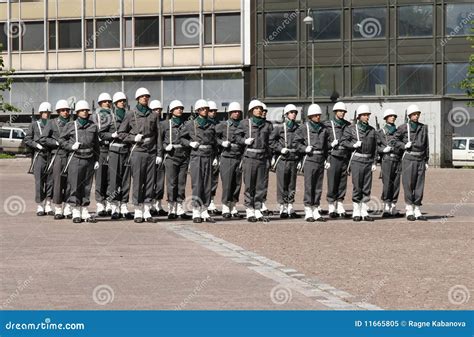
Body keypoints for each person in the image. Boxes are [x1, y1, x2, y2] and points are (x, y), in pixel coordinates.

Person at [118, 87, 159, 223]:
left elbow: (158, 135)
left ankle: (147, 209)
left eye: (147, 96)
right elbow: (121, 133)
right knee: (137, 181)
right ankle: (137, 210)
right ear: (137, 99)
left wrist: (159, 153)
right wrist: (133, 138)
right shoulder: (131, 114)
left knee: (150, 181)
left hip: (151, 151)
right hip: (137, 151)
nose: (145, 98)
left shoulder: (153, 115)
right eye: (142, 96)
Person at [60, 100, 100, 223]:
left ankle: (84, 210)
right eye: (82, 110)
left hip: (89, 159)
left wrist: (97, 159)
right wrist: (71, 146)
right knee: (75, 185)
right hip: (76, 158)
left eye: (86, 110)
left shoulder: (93, 126)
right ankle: (76, 210)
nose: (84, 112)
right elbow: (62, 141)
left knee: (87, 186)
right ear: (77, 112)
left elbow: (96, 145)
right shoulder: (71, 125)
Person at [235, 100, 274, 222]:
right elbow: (236, 136)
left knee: (260, 185)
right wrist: (244, 141)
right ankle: (249, 209)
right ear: (251, 110)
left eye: (260, 108)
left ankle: (257, 208)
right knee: (249, 185)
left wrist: (271, 157)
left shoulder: (267, 125)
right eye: (256, 108)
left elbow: (270, 142)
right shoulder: (245, 123)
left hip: (262, 157)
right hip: (250, 157)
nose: (259, 110)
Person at [181, 99, 217, 223]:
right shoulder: (191, 124)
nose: (205, 111)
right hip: (196, 156)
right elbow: (181, 138)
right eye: (202, 109)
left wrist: (216, 157)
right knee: (197, 183)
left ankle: (205, 210)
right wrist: (190, 143)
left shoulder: (212, 124)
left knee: (208, 183)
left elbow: (215, 142)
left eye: (206, 109)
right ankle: (196, 210)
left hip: (208, 155)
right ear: (197, 111)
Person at [341, 104, 377, 222]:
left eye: (368, 115)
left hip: (368, 160)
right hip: (357, 160)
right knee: (357, 185)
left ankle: (364, 210)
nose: (367, 117)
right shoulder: (351, 129)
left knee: (367, 186)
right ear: (359, 116)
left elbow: (375, 148)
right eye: (365, 115)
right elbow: (344, 141)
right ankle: (356, 210)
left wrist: (374, 162)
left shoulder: (372, 130)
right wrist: (353, 145)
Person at [294, 103, 329, 222]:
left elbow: (327, 146)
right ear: (310, 116)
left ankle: (315, 208)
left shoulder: (323, 129)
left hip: (320, 159)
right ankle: (308, 209)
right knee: (309, 185)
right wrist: (304, 149)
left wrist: (327, 159)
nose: (318, 117)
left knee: (318, 186)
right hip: (309, 158)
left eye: (319, 115)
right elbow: (296, 143)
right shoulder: (304, 128)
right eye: (315, 115)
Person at [394, 104, 429, 221]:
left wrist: (426, 160)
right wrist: (404, 146)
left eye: (417, 114)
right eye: (414, 114)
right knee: (408, 184)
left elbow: (426, 145)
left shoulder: (423, 127)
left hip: (420, 159)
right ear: (409, 116)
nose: (416, 116)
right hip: (408, 158)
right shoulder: (403, 128)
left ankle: (417, 208)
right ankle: (409, 209)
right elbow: (394, 141)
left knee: (419, 185)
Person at [160, 100, 191, 220]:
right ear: (172, 110)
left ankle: (180, 208)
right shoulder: (165, 124)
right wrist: (164, 147)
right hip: (171, 156)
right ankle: (171, 208)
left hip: (183, 155)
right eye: (177, 108)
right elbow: (160, 139)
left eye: (181, 108)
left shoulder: (186, 124)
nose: (180, 110)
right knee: (171, 183)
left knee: (181, 183)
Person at [41, 100, 72, 219]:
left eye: (67, 110)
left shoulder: (72, 123)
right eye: (63, 110)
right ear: (58, 111)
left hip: (70, 155)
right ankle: (58, 208)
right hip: (57, 154)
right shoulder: (52, 123)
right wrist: (55, 142)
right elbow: (44, 139)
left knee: (70, 182)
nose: (65, 112)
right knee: (58, 182)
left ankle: (68, 207)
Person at [270, 104, 301, 218]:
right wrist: (279, 149)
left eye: (295, 112)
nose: (294, 114)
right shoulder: (279, 128)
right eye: (291, 112)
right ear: (286, 115)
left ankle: (290, 206)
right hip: (283, 159)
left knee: (292, 184)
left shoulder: (298, 128)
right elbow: (271, 142)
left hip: (294, 159)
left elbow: (302, 143)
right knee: (282, 184)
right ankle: (282, 206)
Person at [24, 102, 54, 216]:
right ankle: (40, 205)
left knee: (51, 181)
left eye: (48, 112)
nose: (46, 114)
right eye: (44, 112)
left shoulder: (52, 124)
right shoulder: (34, 125)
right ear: (40, 113)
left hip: (51, 154)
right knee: (39, 181)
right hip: (39, 155)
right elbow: (27, 139)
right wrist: (36, 145)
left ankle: (48, 204)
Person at [215, 101, 244, 219]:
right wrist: (222, 142)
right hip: (227, 156)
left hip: (239, 156)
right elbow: (214, 137)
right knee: (227, 183)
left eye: (238, 112)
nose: (236, 114)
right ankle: (225, 206)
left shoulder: (243, 125)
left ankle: (233, 205)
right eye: (234, 112)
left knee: (237, 183)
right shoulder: (223, 125)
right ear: (230, 113)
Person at [107, 92, 133, 220]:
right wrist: (111, 135)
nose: (122, 102)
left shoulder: (130, 115)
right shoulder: (110, 116)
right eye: (120, 101)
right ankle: (114, 206)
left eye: (124, 100)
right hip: (114, 150)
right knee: (114, 180)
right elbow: (101, 133)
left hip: (127, 150)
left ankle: (124, 205)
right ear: (115, 103)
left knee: (125, 180)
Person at [324, 101, 351, 218]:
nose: (342, 113)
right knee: (332, 181)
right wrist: (330, 145)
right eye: (340, 111)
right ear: (335, 112)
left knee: (342, 182)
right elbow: (322, 142)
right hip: (333, 156)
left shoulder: (348, 125)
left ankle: (340, 203)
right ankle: (331, 205)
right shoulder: (327, 125)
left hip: (344, 156)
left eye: (343, 111)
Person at [376, 109, 403, 218]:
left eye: (394, 116)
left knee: (396, 183)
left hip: (397, 159)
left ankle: (393, 206)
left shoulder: (398, 131)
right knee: (387, 183)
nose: (393, 118)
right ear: (386, 118)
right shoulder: (381, 132)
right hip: (387, 159)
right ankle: (386, 206)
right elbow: (376, 147)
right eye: (390, 116)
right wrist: (383, 150)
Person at [92, 92, 114, 216]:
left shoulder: (113, 115)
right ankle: (100, 203)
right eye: (105, 101)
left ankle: (109, 201)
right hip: (100, 149)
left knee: (110, 177)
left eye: (109, 101)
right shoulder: (95, 116)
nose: (107, 103)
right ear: (100, 103)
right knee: (100, 177)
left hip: (111, 148)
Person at [149, 99, 167, 217]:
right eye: (155, 110)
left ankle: (158, 204)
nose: (157, 112)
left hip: (161, 155)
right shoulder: (148, 122)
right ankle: (149, 204)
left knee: (160, 181)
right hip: (149, 154)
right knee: (149, 181)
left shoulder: (164, 124)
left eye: (159, 110)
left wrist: (162, 153)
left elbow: (165, 140)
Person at [206, 100, 221, 215]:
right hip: (205, 154)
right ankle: (204, 202)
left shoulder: (218, 124)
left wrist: (217, 156)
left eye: (215, 111)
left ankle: (211, 201)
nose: (213, 113)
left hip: (215, 154)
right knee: (204, 179)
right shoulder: (204, 123)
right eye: (211, 111)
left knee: (214, 179)